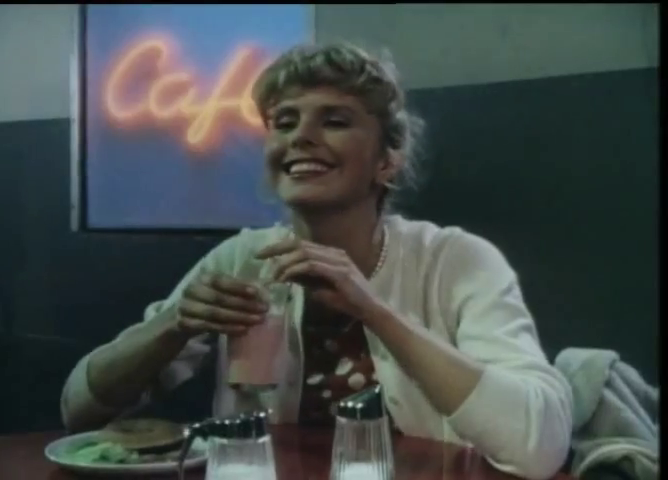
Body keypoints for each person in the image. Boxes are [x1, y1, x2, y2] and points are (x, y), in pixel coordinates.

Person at [61, 42, 573, 480]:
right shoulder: (243, 258)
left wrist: (375, 311)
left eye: (335, 120)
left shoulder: (456, 261)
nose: (299, 137)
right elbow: (79, 411)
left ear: (387, 161)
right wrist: (174, 324)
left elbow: (540, 447)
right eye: (284, 122)